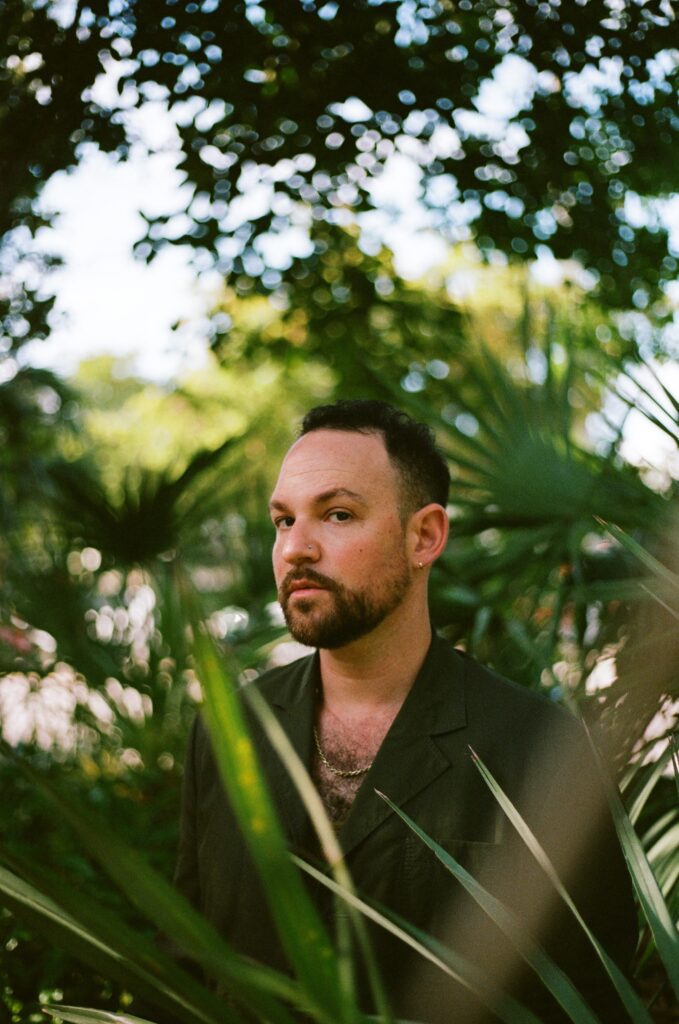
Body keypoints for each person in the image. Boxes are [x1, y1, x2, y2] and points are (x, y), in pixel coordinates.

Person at [174, 399, 637, 1023]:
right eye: (283, 521)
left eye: (337, 514)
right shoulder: (229, 730)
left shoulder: (542, 747)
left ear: (424, 536)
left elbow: (591, 998)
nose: (295, 550)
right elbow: (186, 958)